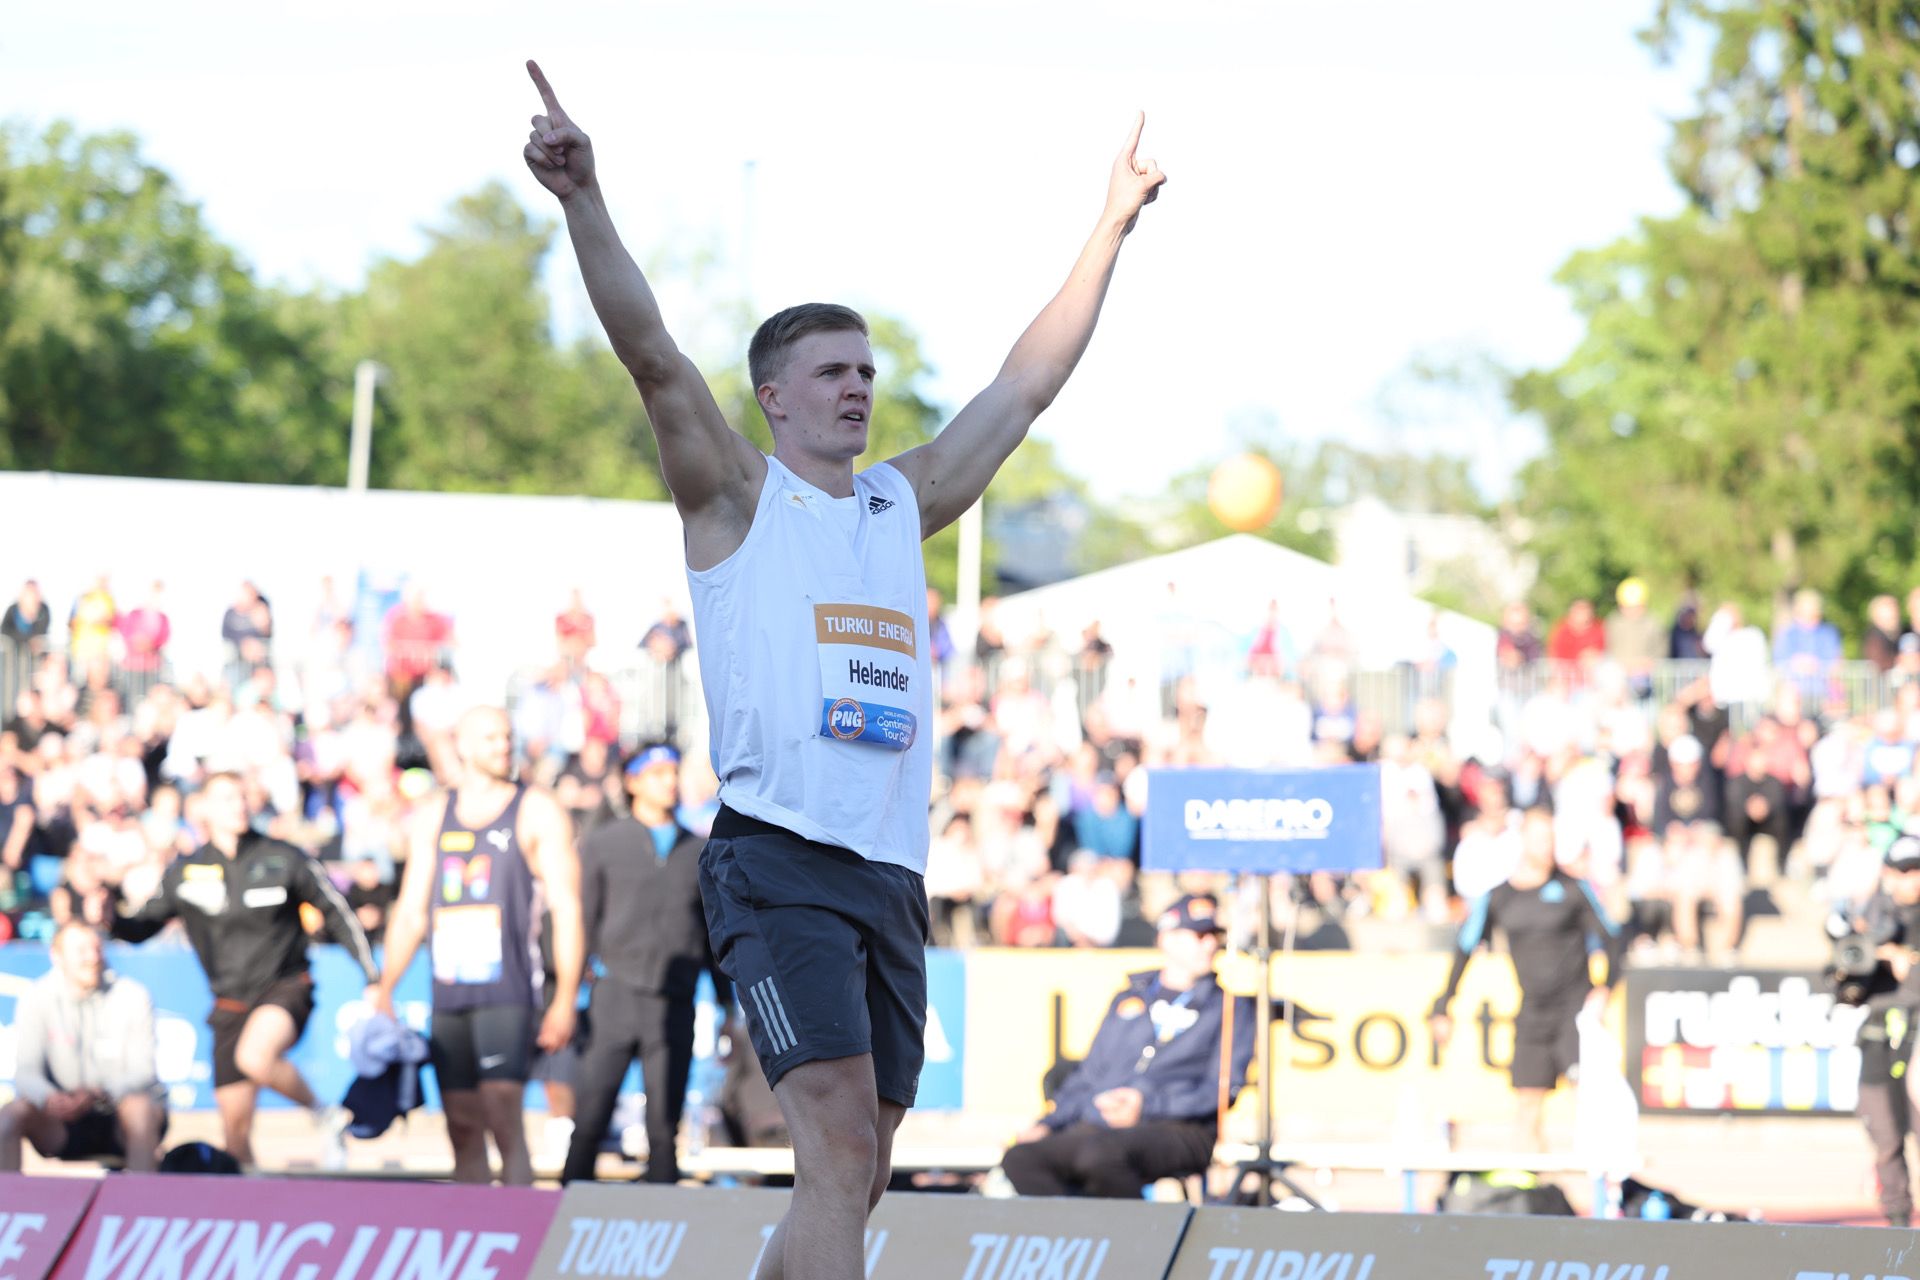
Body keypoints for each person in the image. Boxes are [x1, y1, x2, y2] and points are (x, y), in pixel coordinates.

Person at [525, 58, 1164, 1280]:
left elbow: (1023, 386)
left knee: (860, 1163)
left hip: (890, 870)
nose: (859, 384)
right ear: (772, 397)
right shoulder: (735, 497)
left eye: (867, 369)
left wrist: (1111, 224)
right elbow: (654, 355)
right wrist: (582, 199)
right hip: (778, 856)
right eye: (832, 369)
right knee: (828, 1147)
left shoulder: (897, 500)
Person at [112, 771, 374, 1167]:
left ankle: (325, 1115)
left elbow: (336, 913)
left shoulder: (283, 857)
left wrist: (371, 975)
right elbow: (139, 928)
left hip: (285, 987)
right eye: (226, 798)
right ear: (203, 809)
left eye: (241, 797)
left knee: (256, 1056)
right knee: (234, 1135)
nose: (238, 806)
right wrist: (106, 911)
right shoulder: (186, 870)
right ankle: (255, 1211)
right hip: (229, 1003)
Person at [372, 705, 583, 1186]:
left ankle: (519, 1233)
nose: (503, 745)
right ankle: (476, 1232)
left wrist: (566, 997)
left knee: (502, 1115)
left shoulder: (535, 809)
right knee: (461, 1126)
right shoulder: (433, 816)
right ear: (462, 746)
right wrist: (385, 986)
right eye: (490, 738)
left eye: (507, 737)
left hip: (507, 990)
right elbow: (409, 910)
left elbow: (567, 907)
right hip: (449, 991)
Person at [999, 894, 1252, 1198]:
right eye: (1199, 935)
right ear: (1167, 939)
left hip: (1182, 1128)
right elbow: (1090, 1075)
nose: (1210, 944)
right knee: (1021, 1157)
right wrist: (1048, 1124)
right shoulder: (1129, 998)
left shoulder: (1229, 1006)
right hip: (1105, 1124)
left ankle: (1137, 1239)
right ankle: (1080, 1235)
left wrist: (1147, 1105)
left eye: (1214, 935)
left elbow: (1224, 1089)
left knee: (1100, 1155)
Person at [562, 743, 725, 1184]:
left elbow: (715, 935)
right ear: (632, 782)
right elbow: (580, 922)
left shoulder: (701, 851)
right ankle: (559, 1224)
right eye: (656, 774)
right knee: (589, 1122)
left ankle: (663, 1227)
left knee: (663, 1131)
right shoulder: (602, 844)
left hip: (674, 1002)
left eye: (672, 772)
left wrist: (729, 1005)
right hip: (613, 997)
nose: (668, 782)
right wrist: (563, 998)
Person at [1429, 807, 1621, 1152]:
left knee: (1590, 1103)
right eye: (1539, 839)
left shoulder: (1574, 889)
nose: (1547, 847)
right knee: (1527, 1109)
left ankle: (1601, 1199)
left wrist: (1605, 988)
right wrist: (1445, 1003)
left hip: (1575, 1012)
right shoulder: (1500, 896)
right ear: (1523, 842)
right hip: (1532, 1011)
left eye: (1551, 839)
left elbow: (1614, 940)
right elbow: (1464, 948)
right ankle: (1535, 1197)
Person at [0, 923, 166, 1172]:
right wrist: (50, 1097)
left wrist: (99, 1093)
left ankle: (140, 1204)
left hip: (118, 1112)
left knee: (140, 1109)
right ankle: (9, 1205)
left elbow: (144, 1071)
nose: (93, 957)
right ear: (57, 956)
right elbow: (25, 1072)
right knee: (10, 1115)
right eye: (81, 950)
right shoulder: (37, 997)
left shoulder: (132, 995)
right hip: (61, 1119)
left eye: (97, 948)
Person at [1839, 834, 1920, 1226]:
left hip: (1918, 1031)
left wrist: (1909, 964)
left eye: (1915, 871)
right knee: (1884, 1135)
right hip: (1879, 1034)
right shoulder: (1872, 913)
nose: (1909, 880)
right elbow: (1847, 980)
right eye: (1901, 871)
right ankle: (1898, 1222)